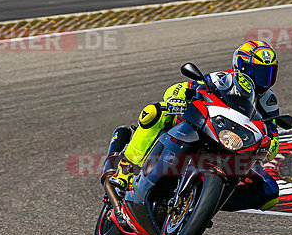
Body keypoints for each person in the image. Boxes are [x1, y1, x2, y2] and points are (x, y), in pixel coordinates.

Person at [109, 40, 282, 211]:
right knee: (155, 112)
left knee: (269, 192)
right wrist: (175, 100)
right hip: (204, 126)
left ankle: (205, 203)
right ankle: (126, 168)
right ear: (241, 66)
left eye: (268, 73)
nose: (263, 80)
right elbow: (180, 88)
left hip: (235, 145)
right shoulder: (223, 79)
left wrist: (267, 148)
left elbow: (272, 134)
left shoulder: (269, 101)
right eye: (258, 72)